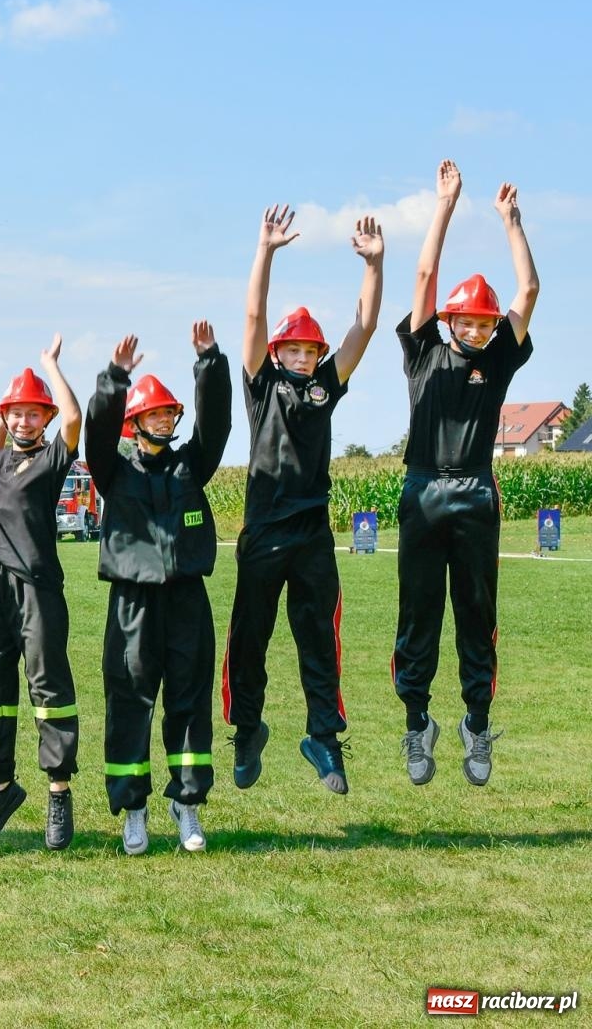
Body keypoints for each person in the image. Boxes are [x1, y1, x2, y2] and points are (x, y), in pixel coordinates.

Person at [222, 206, 384, 796]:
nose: (300, 358)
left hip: (313, 532)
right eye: (291, 349)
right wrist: (265, 251)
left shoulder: (323, 388)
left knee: (319, 637)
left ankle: (324, 738)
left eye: (309, 351)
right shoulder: (262, 384)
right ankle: (247, 731)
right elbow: (253, 315)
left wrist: (374, 265)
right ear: (277, 352)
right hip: (264, 532)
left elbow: (364, 330)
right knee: (249, 639)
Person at [394, 160, 538, 787]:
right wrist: (445, 205)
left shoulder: (498, 358)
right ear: (449, 320)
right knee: (419, 614)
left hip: (477, 491)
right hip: (423, 489)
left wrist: (511, 221)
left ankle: (476, 725)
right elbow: (425, 275)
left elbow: (528, 290)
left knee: (477, 612)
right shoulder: (424, 350)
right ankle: (417, 724)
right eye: (467, 320)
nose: (477, 328)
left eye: (485, 321)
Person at [85, 322, 230, 855]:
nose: (165, 420)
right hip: (133, 603)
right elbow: (96, 433)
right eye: (155, 414)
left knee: (189, 700)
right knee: (129, 701)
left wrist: (209, 363)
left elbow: (217, 423)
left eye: (170, 413)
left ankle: (187, 805)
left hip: (187, 600)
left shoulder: (192, 465)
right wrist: (115, 378)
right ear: (135, 423)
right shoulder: (113, 471)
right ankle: (134, 810)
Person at [0, 335, 84, 850]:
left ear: (45, 419)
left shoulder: (52, 459)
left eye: (33, 414)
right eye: (16, 414)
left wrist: (48, 366)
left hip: (37, 587)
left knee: (47, 685)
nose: (23, 421)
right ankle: (1, 787)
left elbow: (74, 418)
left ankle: (58, 792)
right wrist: (6, 404)